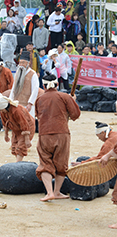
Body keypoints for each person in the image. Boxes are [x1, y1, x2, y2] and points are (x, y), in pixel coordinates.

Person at [34, 73, 80, 202]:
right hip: (62, 134)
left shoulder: (39, 99)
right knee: (61, 164)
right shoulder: (64, 96)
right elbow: (75, 115)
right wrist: (73, 101)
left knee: (45, 163)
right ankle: (56, 191)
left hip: (44, 135)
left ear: (43, 85)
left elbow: (38, 116)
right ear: (57, 84)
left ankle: (50, 192)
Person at [0, 94, 35, 162]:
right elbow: (6, 124)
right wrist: (6, 135)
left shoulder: (17, 110)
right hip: (15, 128)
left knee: (21, 146)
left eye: (2, 109)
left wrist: (27, 139)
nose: (1, 111)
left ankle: (17, 164)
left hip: (27, 127)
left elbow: (24, 124)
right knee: (14, 146)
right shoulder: (3, 112)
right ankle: (18, 162)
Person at [9, 51, 40, 117]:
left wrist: (30, 103)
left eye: (23, 62)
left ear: (28, 63)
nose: (21, 65)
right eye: (20, 62)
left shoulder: (33, 74)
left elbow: (35, 90)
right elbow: (13, 87)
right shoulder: (18, 72)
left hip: (27, 104)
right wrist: (10, 100)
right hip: (16, 103)